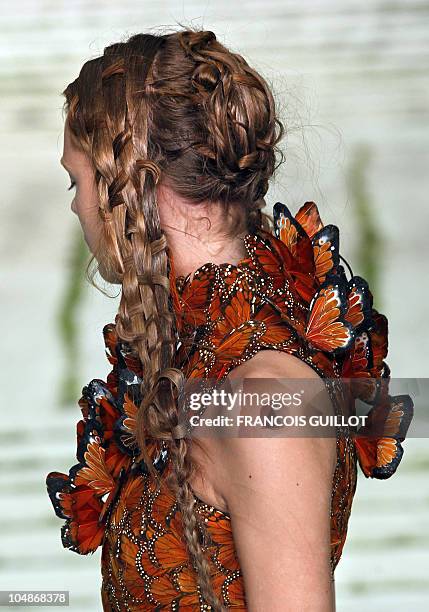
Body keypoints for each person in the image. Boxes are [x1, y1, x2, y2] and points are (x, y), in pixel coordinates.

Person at [46, 28, 413, 611]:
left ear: (131, 185)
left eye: (78, 180)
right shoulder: (212, 358)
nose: (75, 205)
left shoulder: (260, 394)